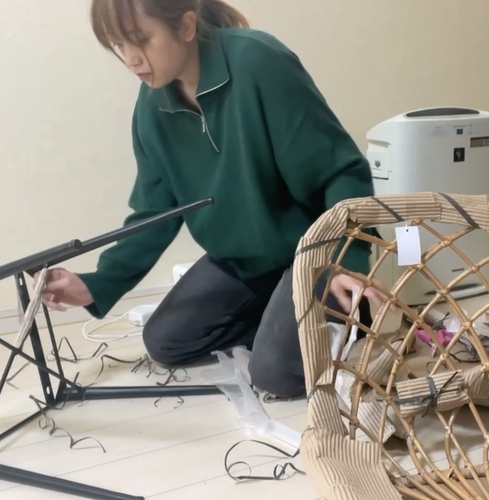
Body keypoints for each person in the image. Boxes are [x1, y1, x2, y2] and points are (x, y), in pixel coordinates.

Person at [38, 0, 385, 399]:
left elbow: (342, 171)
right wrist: (97, 284)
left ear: (186, 26)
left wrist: (344, 261)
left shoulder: (259, 62)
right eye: (119, 45)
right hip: (244, 264)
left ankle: (345, 314)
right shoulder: (151, 107)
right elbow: (154, 213)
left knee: (275, 376)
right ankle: (286, 321)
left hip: (314, 252)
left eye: (141, 40)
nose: (131, 59)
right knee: (166, 342)